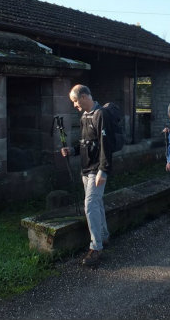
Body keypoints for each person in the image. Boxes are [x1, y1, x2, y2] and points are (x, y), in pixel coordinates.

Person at [61, 84, 111, 266]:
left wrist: (103, 170)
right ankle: (104, 236)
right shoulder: (84, 116)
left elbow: (106, 145)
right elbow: (85, 143)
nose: (74, 105)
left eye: (75, 101)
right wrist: (73, 150)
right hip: (86, 168)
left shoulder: (100, 115)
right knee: (96, 203)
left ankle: (96, 247)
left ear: (83, 97)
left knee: (89, 205)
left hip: (97, 170)